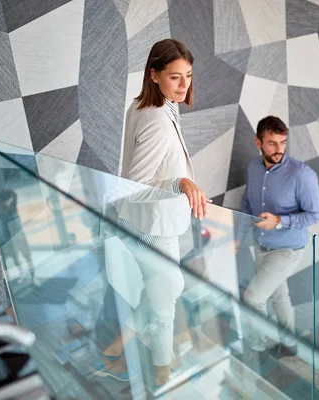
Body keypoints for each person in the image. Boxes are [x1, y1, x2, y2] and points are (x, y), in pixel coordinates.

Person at [93, 39, 210, 388]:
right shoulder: (157, 117)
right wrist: (180, 183)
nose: (184, 84)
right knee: (165, 303)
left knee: (168, 290)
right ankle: (163, 374)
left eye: (188, 76)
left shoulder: (143, 106)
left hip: (147, 221)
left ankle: (116, 350)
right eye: (175, 77)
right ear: (154, 75)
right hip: (151, 227)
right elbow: (133, 184)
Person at [237, 116, 319, 359]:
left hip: (287, 249)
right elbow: (246, 203)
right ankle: (289, 344)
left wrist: (279, 221)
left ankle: (257, 347)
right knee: (278, 294)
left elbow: (314, 215)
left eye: (283, 143)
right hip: (260, 244)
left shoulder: (302, 175)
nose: (279, 149)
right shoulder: (253, 167)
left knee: (253, 299)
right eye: (272, 143)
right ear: (258, 143)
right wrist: (237, 237)